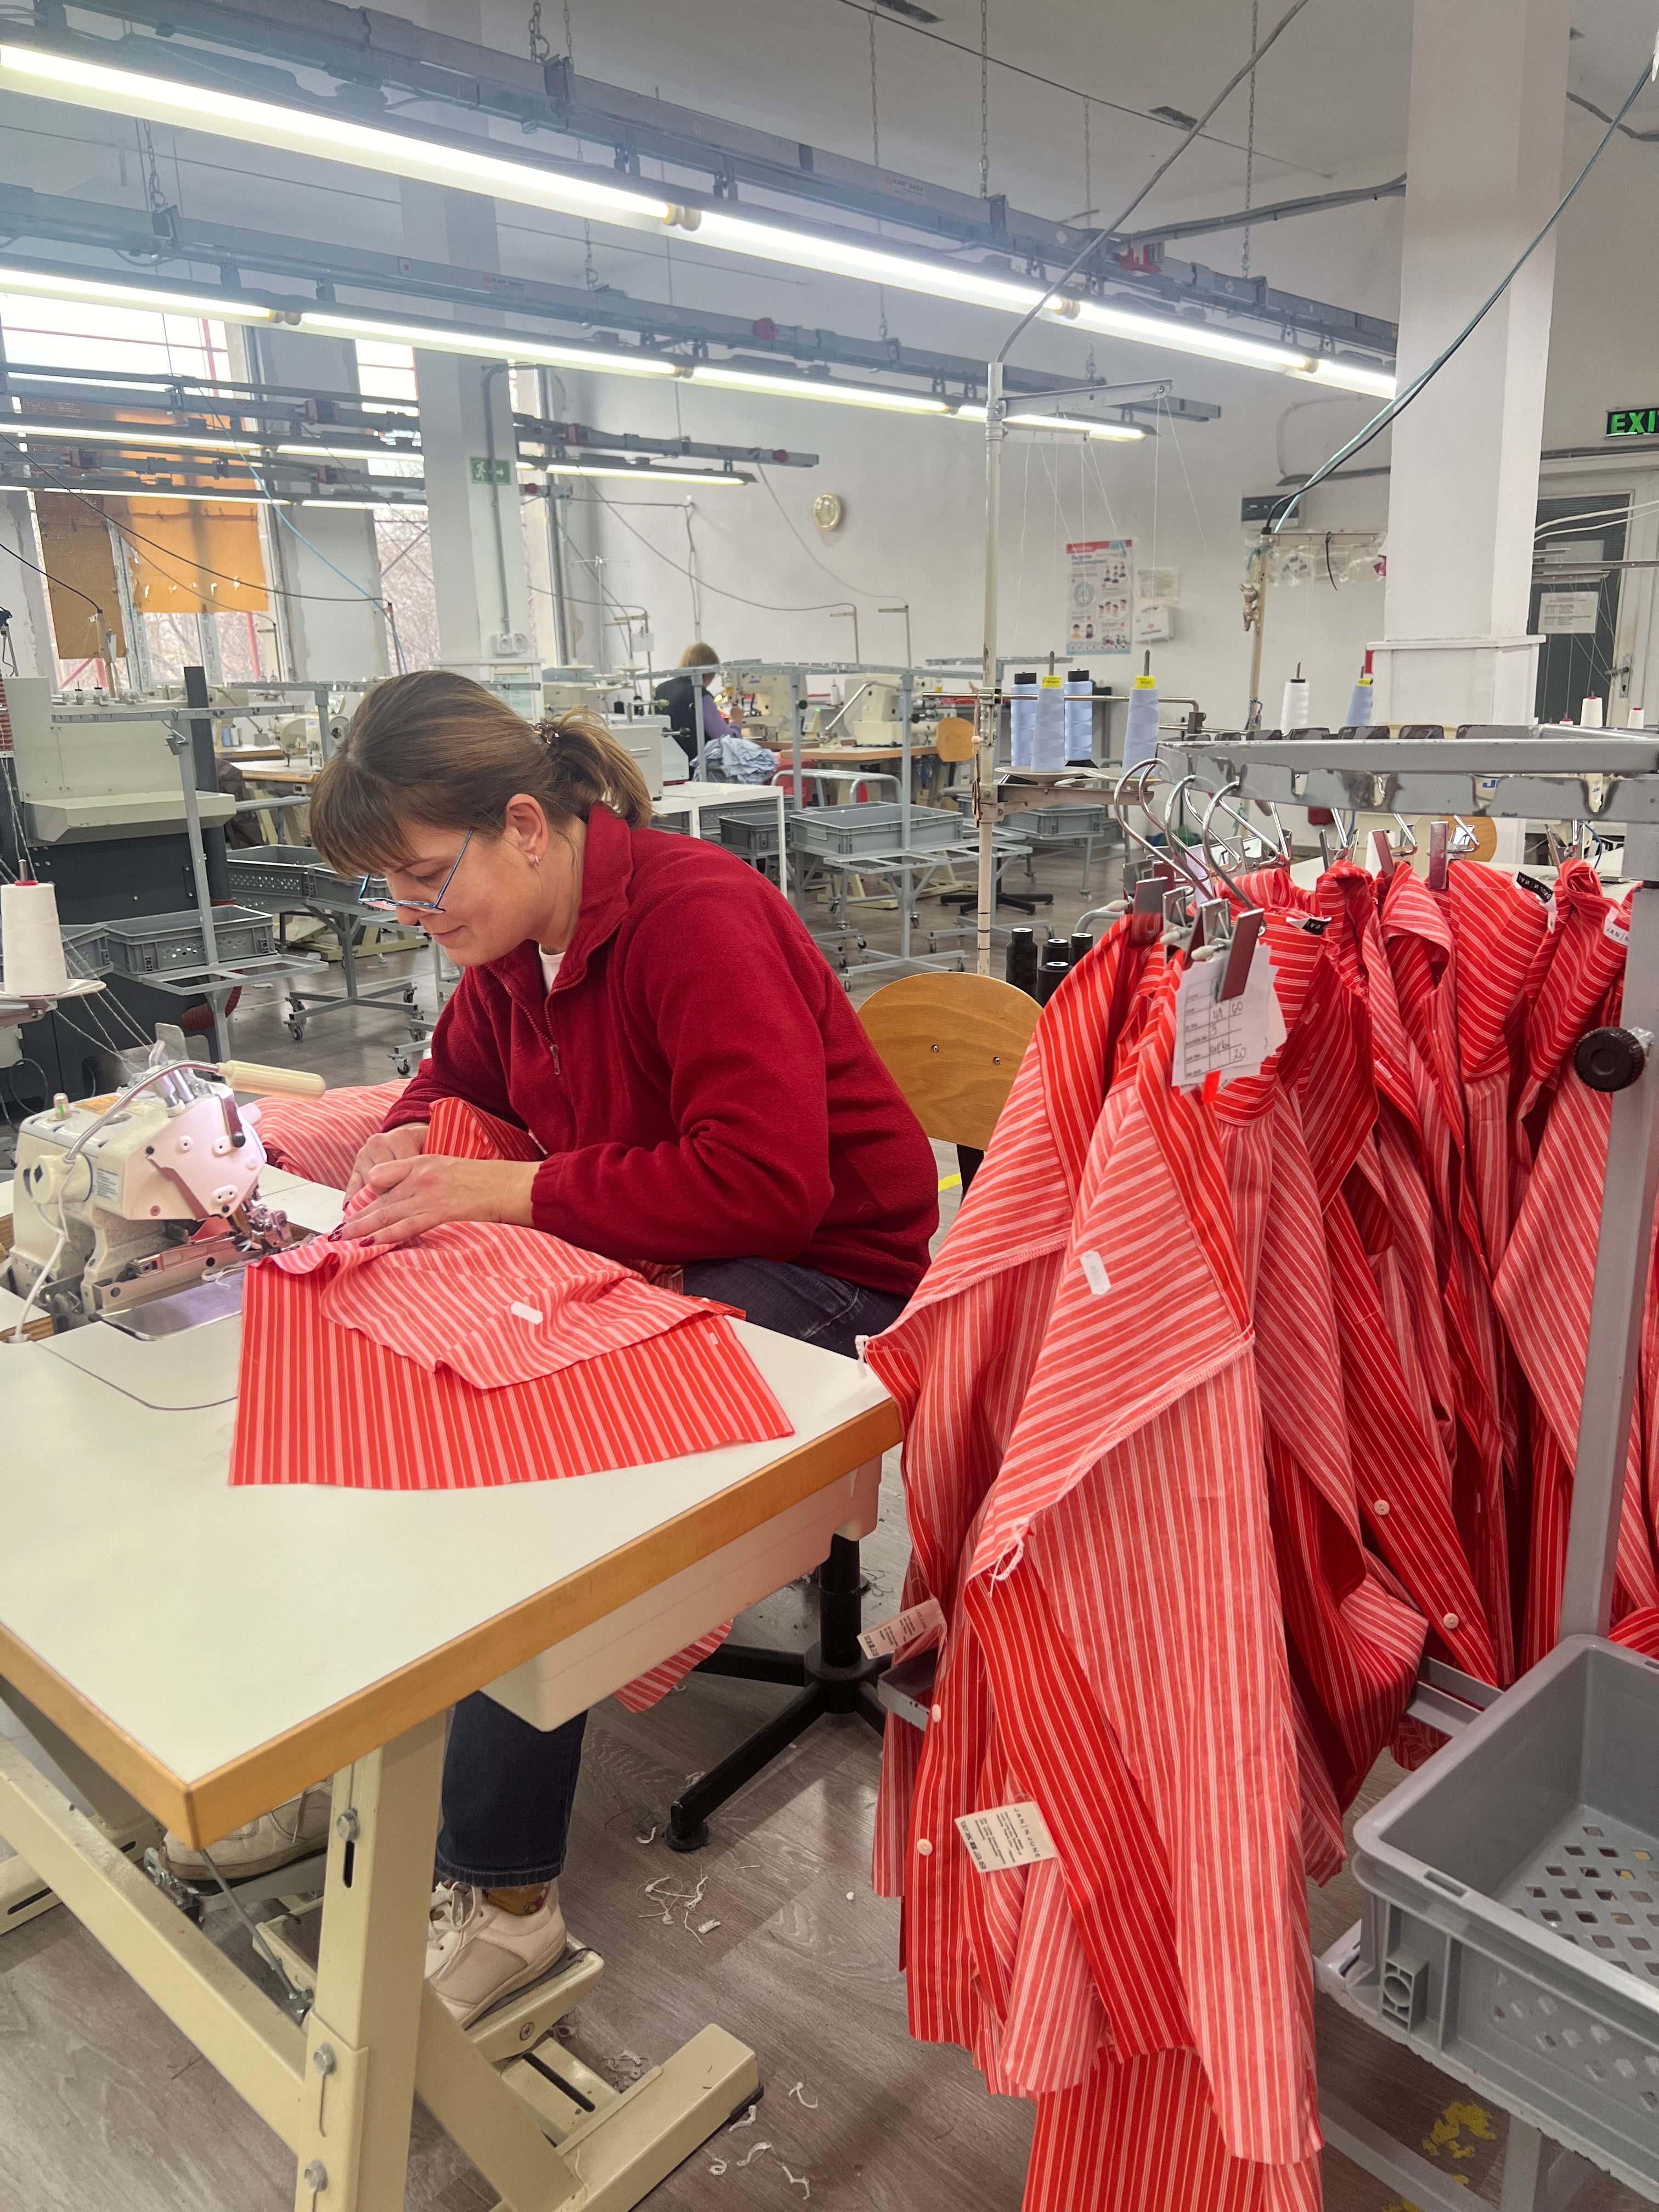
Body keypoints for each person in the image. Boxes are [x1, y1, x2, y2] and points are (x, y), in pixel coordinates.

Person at [180, 669, 938, 2028]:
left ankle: (506, 1894)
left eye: (426, 878)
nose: (418, 916)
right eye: (395, 894)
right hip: (678, 1235)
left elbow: (767, 1186)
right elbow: (455, 1082)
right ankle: (353, 1752)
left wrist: (505, 1192)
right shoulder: (514, 949)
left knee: (548, 1480)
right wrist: (413, 1137)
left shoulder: (696, 919)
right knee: (404, 1381)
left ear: (525, 825)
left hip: (827, 1268)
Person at [653, 641, 740, 765]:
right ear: (708, 672)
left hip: (668, 764)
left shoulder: (660, 689)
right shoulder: (699, 694)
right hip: (696, 768)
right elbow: (727, 741)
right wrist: (736, 723)